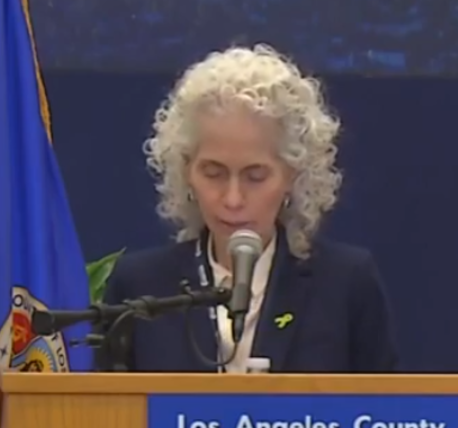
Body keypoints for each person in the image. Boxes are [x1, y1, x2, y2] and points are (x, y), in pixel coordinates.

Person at [100, 44, 398, 373]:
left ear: (293, 175)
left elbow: (382, 404)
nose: (233, 199)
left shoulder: (346, 284)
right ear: (186, 171)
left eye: (255, 176)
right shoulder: (140, 287)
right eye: (213, 173)